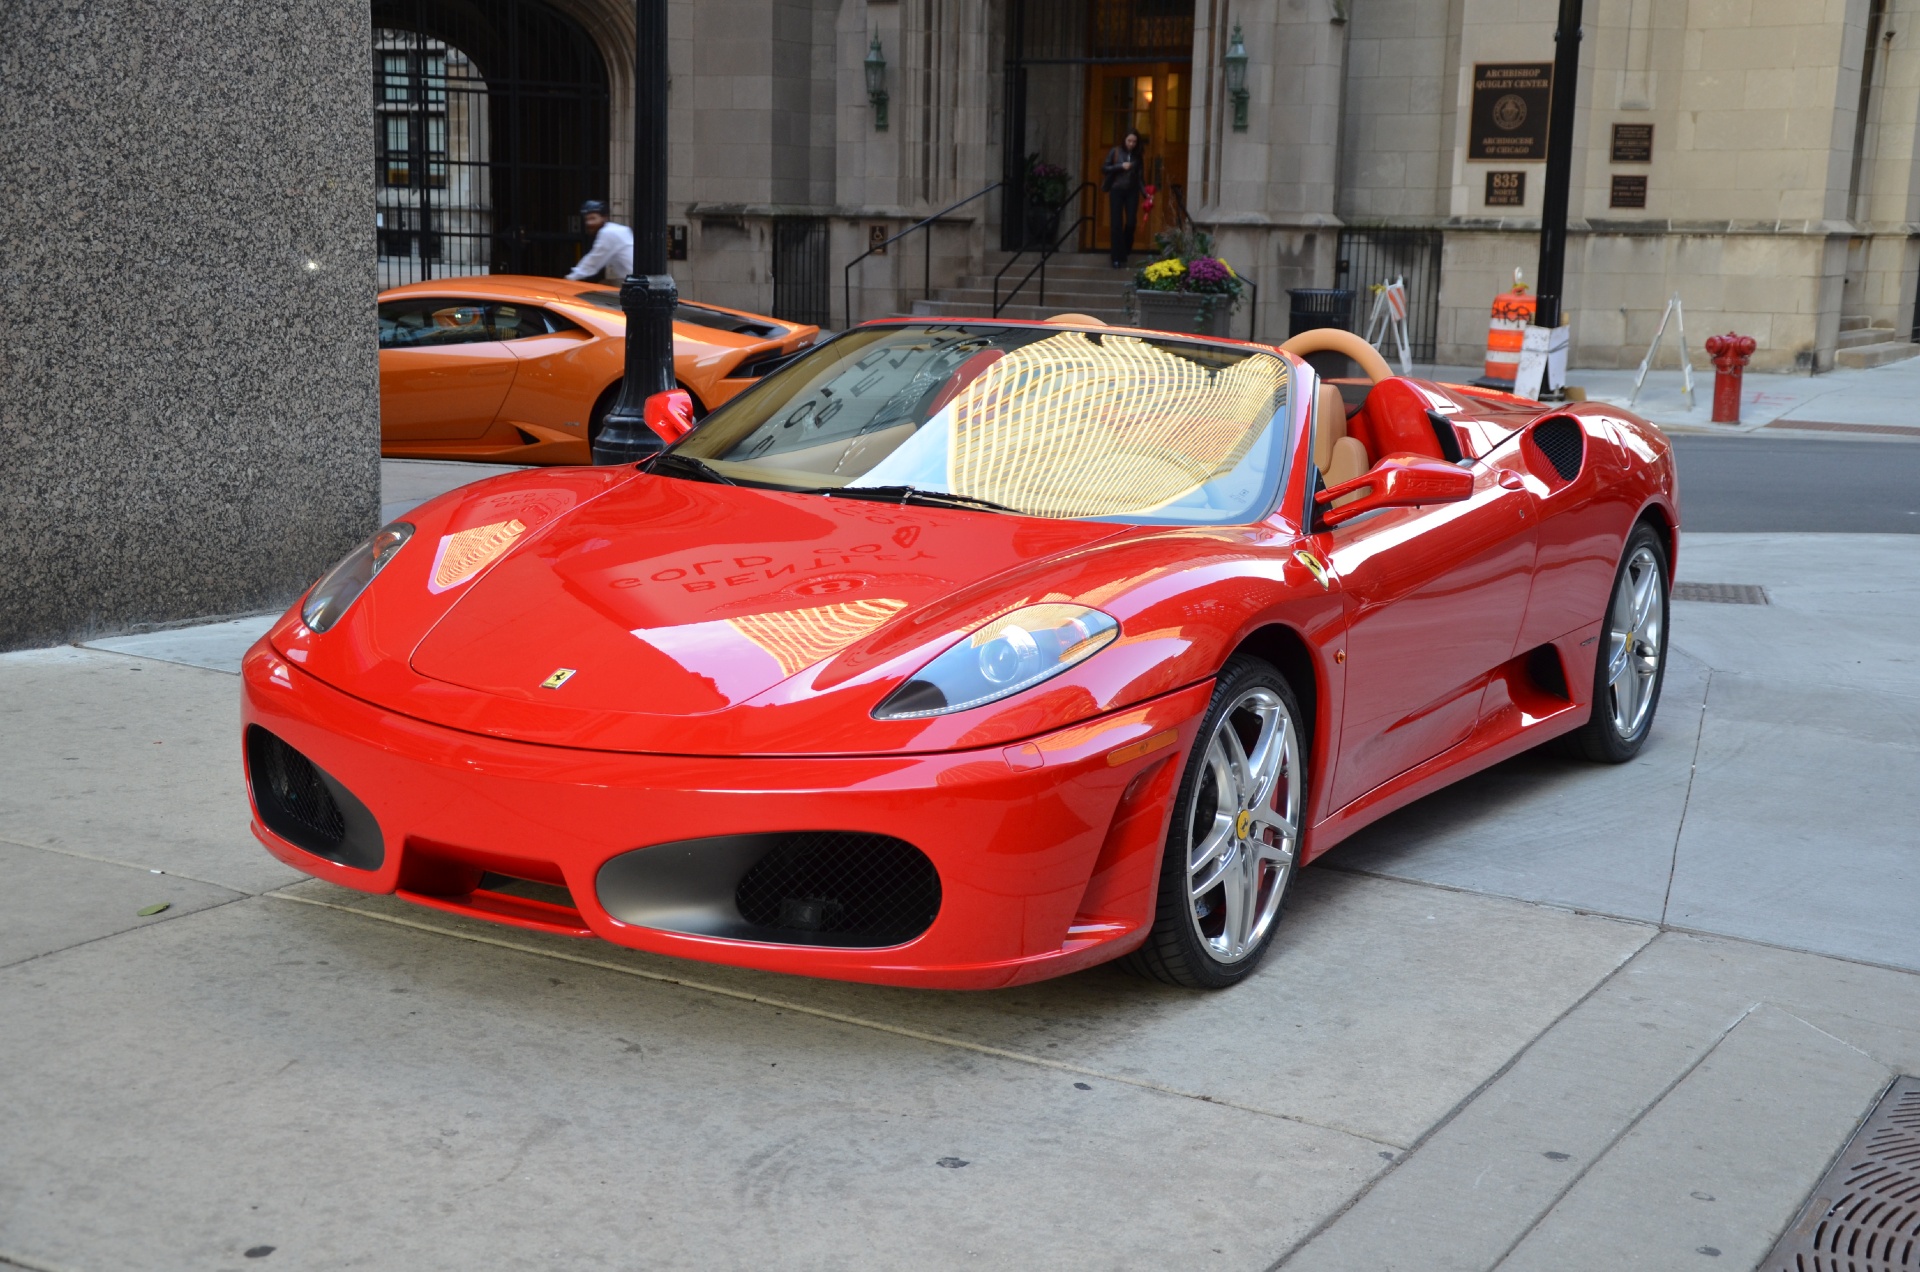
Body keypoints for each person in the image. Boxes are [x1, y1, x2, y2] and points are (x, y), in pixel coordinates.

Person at [1101, 130, 1144, 269]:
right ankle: (1116, 257)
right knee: (1116, 224)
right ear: (1124, 140)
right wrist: (1120, 166)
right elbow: (1105, 168)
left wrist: (1146, 193)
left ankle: (1125, 249)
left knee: (1131, 222)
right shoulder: (1116, 151)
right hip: (1117, 189)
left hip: (1132, 191)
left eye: (1134, 141)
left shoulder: (1138, 156)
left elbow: (1140, 178)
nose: (1131, 144)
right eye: (1129, 141)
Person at [566, 200, 634, 282]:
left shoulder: (608, 233)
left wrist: (570, 278)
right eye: (587, 219)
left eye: (593, 218)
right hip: (635, 279)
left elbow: (592, 263)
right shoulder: (617, 229)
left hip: (638, 282)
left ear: (604, 218)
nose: (589, 223)